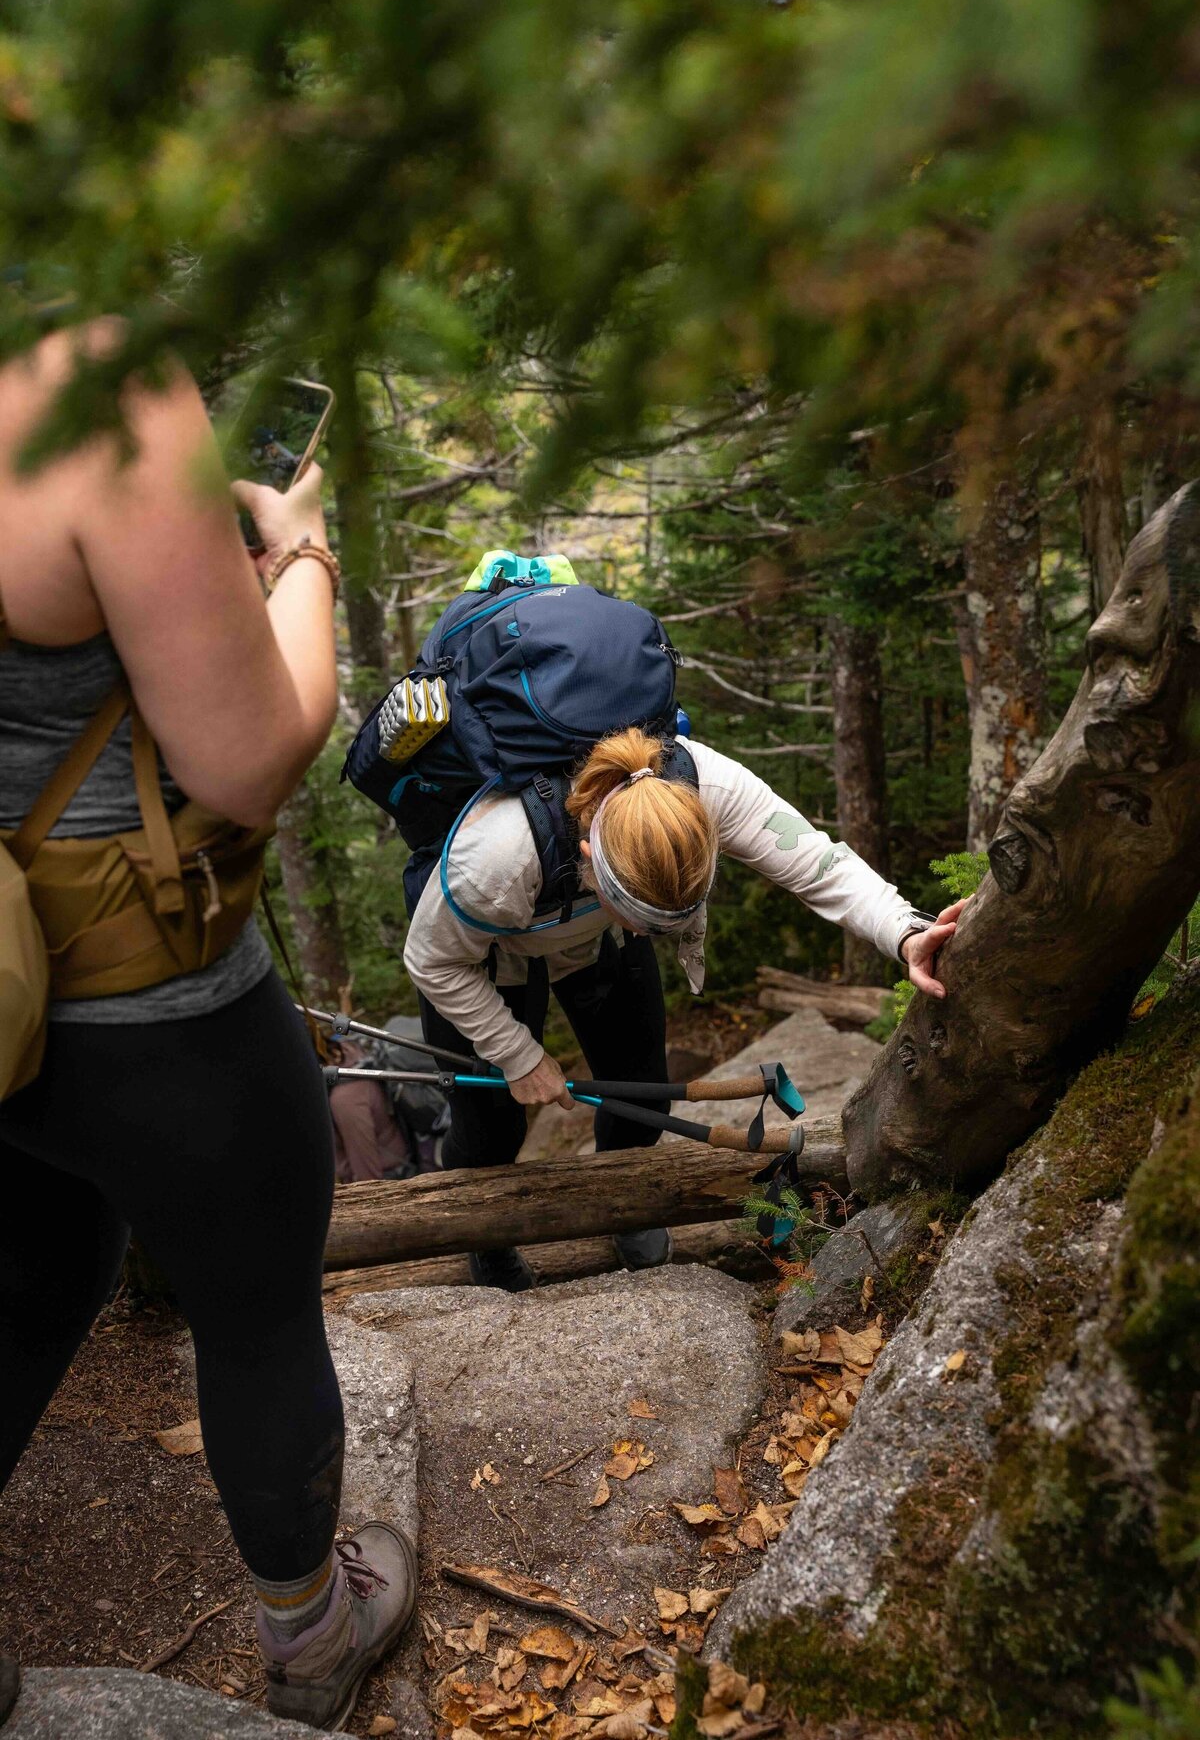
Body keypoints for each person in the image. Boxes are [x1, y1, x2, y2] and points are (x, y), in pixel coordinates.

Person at [0, 323, 414, 1730]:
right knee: (254, 1307)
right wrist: (298, 556)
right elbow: (246, 756)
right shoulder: (82, 380)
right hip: (137, 996)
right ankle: (312, 1635)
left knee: (38, 1257)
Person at [404, 727, 964, 1291]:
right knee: (488, 1125)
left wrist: (905, 931)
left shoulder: (706, 786)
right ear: (589, 856)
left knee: (637, 1078)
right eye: (646, 921)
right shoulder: (492, 862)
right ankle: (486, 1235)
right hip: (487, 957)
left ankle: (627, 1208)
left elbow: (813, 857)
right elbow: (431, 962)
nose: (657, 936)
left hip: (600, 938)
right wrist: (518, 1055)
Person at [326, 1037, 417, 1183]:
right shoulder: (355, 1061)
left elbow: (367, 1175)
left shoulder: (346, 1097)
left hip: (390, 1179)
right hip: (399, 1165)